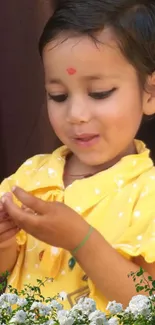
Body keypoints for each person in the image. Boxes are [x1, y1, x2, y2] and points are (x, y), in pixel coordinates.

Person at [0, 0, 155, 312]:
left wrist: (81, 241)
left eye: (99, 93)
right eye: (58, 96)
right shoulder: (29, 177)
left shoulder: (147, 193)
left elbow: (147, 303)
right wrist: (3, 243)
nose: (76, 114)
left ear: (150, 93)